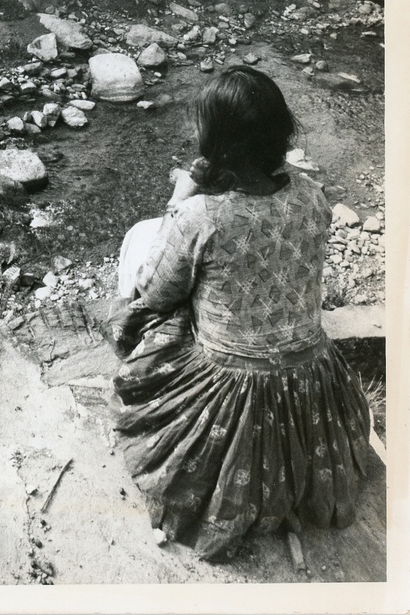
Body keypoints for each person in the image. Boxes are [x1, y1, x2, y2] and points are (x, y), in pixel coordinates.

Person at [111, 67, 371, 563]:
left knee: (145, 255)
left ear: (217, 142)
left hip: (231, 390)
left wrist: (179, 200)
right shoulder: (311, 195)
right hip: (311, 379)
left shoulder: (201, 216)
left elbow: (155, 291)